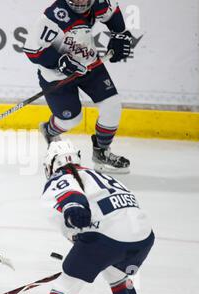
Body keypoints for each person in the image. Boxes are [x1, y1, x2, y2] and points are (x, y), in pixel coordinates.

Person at [23, 0, 132, 173]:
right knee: (72, 119)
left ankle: (102, 152)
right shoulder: (53, 16)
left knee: (112, 105)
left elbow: (113, 14)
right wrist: (59, 61)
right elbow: (32, 50)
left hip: (89, 65)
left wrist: (119, 35)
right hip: (56, 76)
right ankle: (49, 130)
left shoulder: (99, 3)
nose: (80, 2)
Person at [41, 140, 154, 294]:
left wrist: (75, 211)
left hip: (107, 241)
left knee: (65, 285)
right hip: (143, 239)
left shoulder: (62, 177)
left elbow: (72, 197)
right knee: (117, 276)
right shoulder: (101, 176)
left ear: (52, 163)